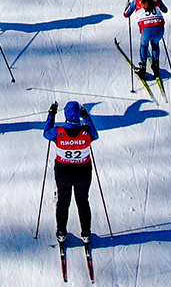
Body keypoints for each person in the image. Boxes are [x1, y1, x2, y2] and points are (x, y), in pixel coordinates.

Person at [43, 101, 97, 254]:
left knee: (63, 202)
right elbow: (95, 135)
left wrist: (51, 115)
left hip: (63, 173)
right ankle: (86, 234)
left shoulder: (58, 132)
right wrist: (86, 118)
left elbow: (46, 133)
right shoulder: (86, 132)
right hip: (83, 173)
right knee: (83, 202)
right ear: (78, 115)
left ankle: (61, 233)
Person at [124, 0, 167, 79]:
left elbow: (126, 14)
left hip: (147, 28)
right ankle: (156, 67)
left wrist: (127, 6)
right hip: (160, 27)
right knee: (155, 44)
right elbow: (165, 9)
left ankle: (142, 68)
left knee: (144, 45)